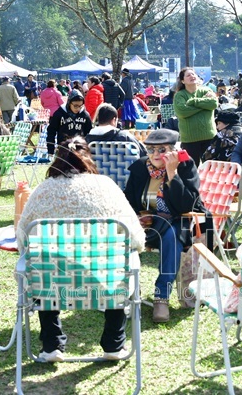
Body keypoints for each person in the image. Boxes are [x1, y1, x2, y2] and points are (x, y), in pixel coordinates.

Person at [16, 136, 144, 362]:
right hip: (104, 281)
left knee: (45, 264)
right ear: (88, 159)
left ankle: (51, 345)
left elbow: (23, 238)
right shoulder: (107, 186)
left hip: (53, 285)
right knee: (118, 264)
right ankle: (114, 343)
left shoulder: (43, 191)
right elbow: (135, 236)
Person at [123, 129, 209, 323]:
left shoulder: (186, 166)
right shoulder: (139, 168)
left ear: (173, 150)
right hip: (145, 229)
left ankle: (161, 297)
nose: (155, 154)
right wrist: (137, 217)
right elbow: (127, 201)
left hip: (179, 225)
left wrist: (172, 173)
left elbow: (187, 205)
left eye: (162, 149)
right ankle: (119, 293)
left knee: (171, 232)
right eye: (151, 149)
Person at [173, 67, 218, 164]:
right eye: (188, 75)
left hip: (209, 137)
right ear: (182, 81)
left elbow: (213, 104)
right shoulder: (179, 95)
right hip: (189, 140)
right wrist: (203, 106)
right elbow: (182, 112)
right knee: (190, 170)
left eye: (193, 74)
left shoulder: (206, 90)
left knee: (210, 169)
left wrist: (193, 101)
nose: (192, 76)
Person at [47, 90, 92, 155]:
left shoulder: (85, 115)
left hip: (80, 149)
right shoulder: (59, 113)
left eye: (80, 106)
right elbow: (51, 131)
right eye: (75, 106)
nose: (78, 109)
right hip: (63, 149)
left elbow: (89, 133)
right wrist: (50, 150)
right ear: (69, 103)